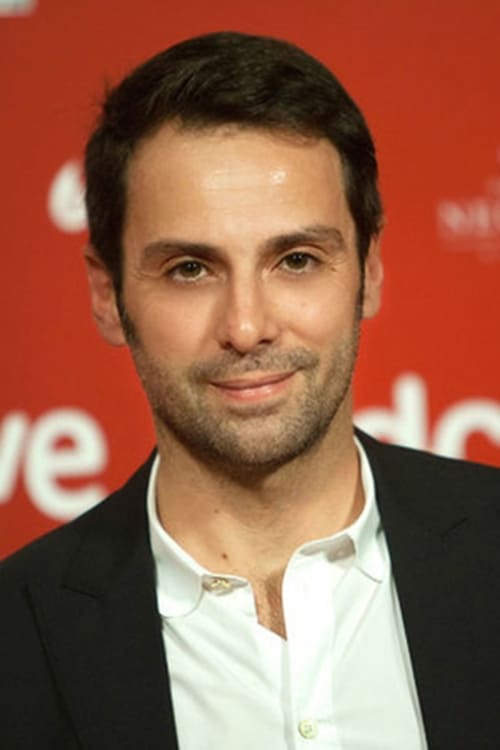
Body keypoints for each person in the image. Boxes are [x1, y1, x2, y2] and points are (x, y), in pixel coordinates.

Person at [1, 31, 499, 750]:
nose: (245, 327)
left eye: (295, 260)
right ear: (108, 296)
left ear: (370, 270)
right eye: (190, 269)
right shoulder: (16, 639)